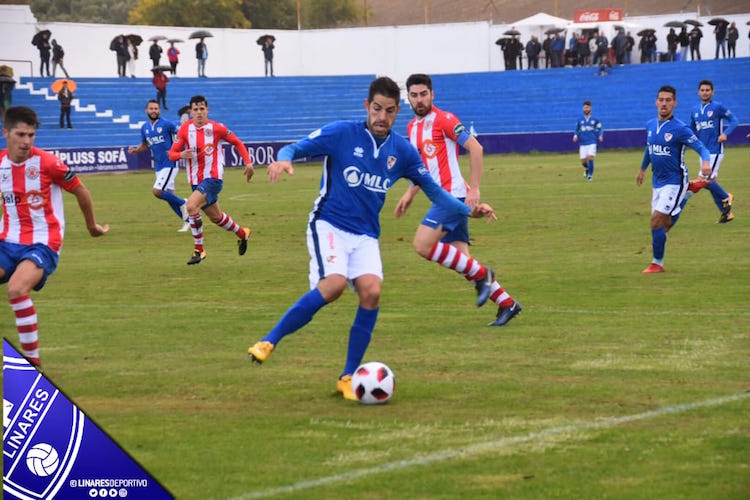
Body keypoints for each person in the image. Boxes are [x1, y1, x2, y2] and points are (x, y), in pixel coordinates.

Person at [245, 76, 496, 400]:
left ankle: (348, 377)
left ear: (396, 112)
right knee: (333, 286)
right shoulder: (342, 133)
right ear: (367, 106)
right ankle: (268, 340)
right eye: (377, 109)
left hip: (365, 235)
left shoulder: (402, 151)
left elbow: (437, 192)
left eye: (390, 111)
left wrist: (467, 210)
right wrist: (285, 159)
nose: (382, 117)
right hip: (329, 224)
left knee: (372, 293)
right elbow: (297, 146)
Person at [395, 73, 521, 327]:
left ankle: (485, 275)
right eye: (414, 95)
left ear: (433, 94)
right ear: (407, 98)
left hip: (452, 195)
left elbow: (476, 148)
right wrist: (410, 193)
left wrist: (474, 189)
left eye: (424, 94)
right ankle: (507, 303)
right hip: (444, 196)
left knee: (422, 245)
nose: (419, 99)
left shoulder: (445, 119)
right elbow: (420, 166)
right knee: (464, 262)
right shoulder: (412, 128)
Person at [1, 106, 109, 367]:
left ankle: (31, 364)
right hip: (7, 241)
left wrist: (92, 225)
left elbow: (81, 191)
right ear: (6, 133)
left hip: (44, 242)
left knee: (16, 289)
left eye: (31, 135)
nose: (27, 141)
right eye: (21, 135)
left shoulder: (49, 163)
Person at [168, 95, 253, 264]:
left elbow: (237, 142)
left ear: (207, 110)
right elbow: (171, 154)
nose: (199, 113)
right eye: (195, 110)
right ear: (190, 112)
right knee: (217, 218)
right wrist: (180, 154)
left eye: (202, 109)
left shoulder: (216, 128)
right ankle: (243, 233)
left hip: (213, 179)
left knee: (191, 206)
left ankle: (199, 250)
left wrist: (248, 163)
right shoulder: (185, 129)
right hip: (196, 182)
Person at [636, 85, 711, 274]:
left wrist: (706, 163)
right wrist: (643, 169)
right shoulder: (651, 125)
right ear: (656, 102)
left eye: (668, 100)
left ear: (675, 103)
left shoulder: (680, 128)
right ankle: (687, 196)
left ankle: (657, 263)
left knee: (655, 222)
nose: (664, 103)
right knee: (663, 226)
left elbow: (701, 147)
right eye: (661, 100)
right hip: (657, 181)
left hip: (675, 181)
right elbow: (649, 148)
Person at [128, 100, 189, 232]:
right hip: (159, 166)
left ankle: (184, 203)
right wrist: (136, 150)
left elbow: (181, 133)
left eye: (156, 108)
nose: (154, 110)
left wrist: (179, 149)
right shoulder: (144, 128)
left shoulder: (167, 124)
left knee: (157, 191)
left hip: (170, 163)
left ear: (159, 111)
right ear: (146, 111)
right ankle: (189, 221)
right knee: (168, 196)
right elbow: (145, 144)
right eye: (151, 108)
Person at [687, 80, 739, 223]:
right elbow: (691, 130)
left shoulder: (717, 107)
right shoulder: (695, 110)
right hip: (703, 152)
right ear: (698, 92)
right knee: (709, 183)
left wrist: (725, 133)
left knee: (704, 180)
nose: (705, 92)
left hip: (715, 150)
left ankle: (726, 197)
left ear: (712, 92)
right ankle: (726, 214)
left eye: (708, 90)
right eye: (702, 90)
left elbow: (734, 120)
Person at [573, 100, 603, 181]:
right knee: (583, 162)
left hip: (592, 142)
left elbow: (600, 128)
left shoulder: (595, 119)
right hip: (583, 143)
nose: (586, 109)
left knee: (590, 158)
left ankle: (590, 176)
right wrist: (575, 135)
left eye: (587, 107)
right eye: (584, 108)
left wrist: (600, 135)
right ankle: (588, 169)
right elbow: (577, 129)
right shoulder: (580, 120)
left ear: (590, 108)